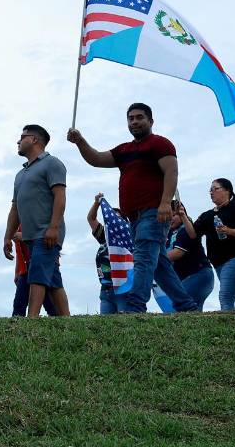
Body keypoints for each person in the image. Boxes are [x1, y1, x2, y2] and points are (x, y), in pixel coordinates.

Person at [67, 104, 198, 314]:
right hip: (135, 219)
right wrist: (80, 141)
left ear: (151, 121)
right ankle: (187, 306)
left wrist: (165, 203)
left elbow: (171, 172)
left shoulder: (160, 144)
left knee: (144, 260)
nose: (134, 122)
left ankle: (135, 307)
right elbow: (96, 159)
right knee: (160, 266)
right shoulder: (124, 150)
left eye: (139, 118)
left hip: (154, 213)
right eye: (130, 118)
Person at [2, 124, 70, 317]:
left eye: (22, 137)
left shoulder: (52, 163)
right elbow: (15, 207)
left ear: (34, 139)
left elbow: (60, 196)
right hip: (30, 237)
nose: (18, 141)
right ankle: (67, 320)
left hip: (46, 233)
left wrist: (53, 227)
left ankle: (31, 319)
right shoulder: (20, 174)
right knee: (54, 280)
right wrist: (7, 237)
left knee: (37, 275)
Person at [192, 179, 235, 311]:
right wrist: (183, 216)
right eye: (210, 189)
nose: (211, 192)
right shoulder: (207, 215)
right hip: (217, 262)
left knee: (225, 296)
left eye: (215, 189)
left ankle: (228, 327)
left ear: (227, 191)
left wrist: (230, 231)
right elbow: (193, 233)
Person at [166, 200, 214, 309]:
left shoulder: (185, 230)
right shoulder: (169, 233)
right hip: (189, 277)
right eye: (168, 216)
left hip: (198, 275)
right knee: (194, 310)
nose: (170, 218)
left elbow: (178, 253)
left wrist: (156, 257)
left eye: (174, 215)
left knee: (181, 304)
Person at [87, 193, 126, 314]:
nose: (112, 222)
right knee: (106, 328)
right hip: (106, 290)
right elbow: (91, 219)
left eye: (117, 219)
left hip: (124, 290)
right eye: (110, 219)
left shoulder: (128, 238)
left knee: (125, 326)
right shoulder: (104, 236)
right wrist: (96, 203)